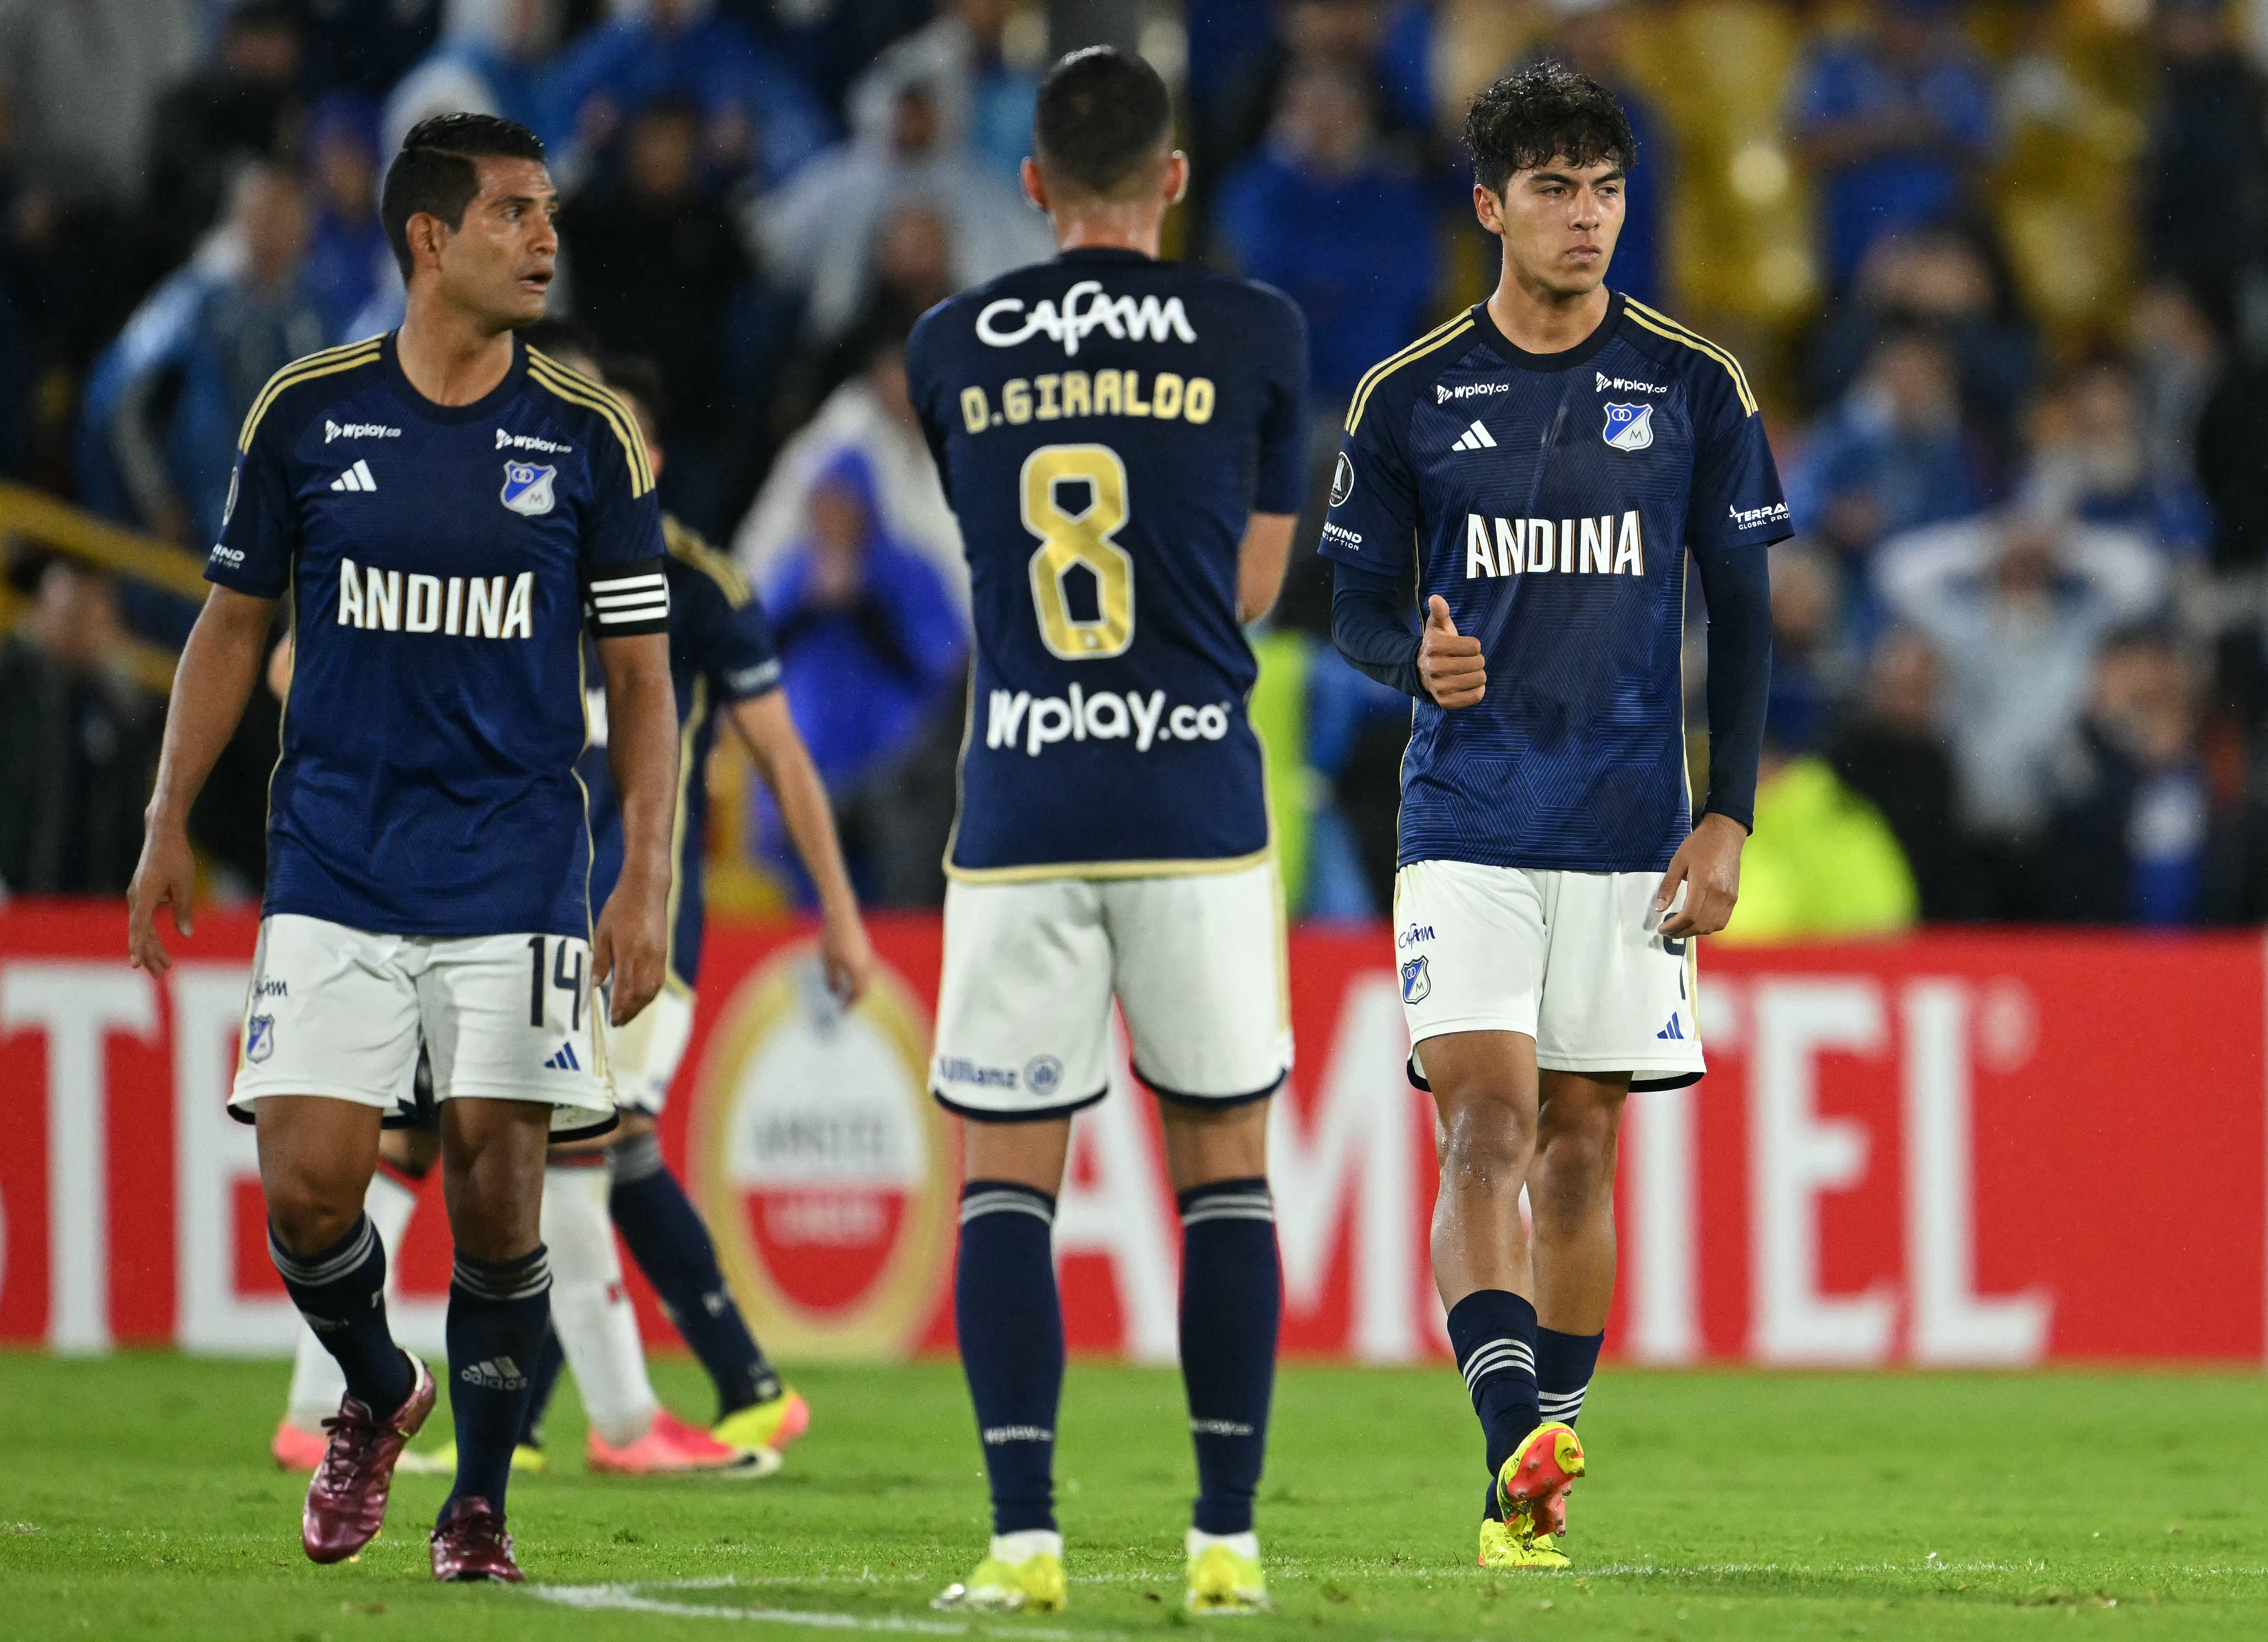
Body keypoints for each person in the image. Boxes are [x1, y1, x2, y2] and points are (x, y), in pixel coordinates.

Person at [125, 112, 681, 1583]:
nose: (546, 238)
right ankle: (380, 1388)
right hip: (338, 853)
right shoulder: (305, 415)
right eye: (513, 214)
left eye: (549, 211)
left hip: (514, 860)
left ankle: (478, 1504)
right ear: (430, 240)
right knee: (309, 1184)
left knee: (502, 1197)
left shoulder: (587, 434)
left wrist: (649, 872)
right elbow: (232, 626)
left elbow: (639, 681)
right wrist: (167, 817)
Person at [1321, 62, 1780, 1569]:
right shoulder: (1406, 397)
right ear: (1488, 207)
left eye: (1604, 189)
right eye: (1551, 190)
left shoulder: (1695, 385)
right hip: (1464, 818)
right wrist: (1412, 658)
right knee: (1484, 1126)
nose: (1584, 218)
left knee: (1579, 1150)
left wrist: (1728, 815)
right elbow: (1354, 602)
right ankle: (1508, 1422)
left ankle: (1531, 1480)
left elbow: (1746, 612)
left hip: (1629, 824)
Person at [266, 345, 873, 1477]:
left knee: (560, 1145)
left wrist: (837, 913)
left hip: (631, 926)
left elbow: (781, 757)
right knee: (444, 1144)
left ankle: (583, 1414)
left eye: (628, 439)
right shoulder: (506, 553)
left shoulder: (695, 588)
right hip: (487, 906)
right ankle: (629, 1417)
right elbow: (295, 661)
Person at [904, 47, 1309, 1616]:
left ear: (1029, 184)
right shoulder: (1257, 331)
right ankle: (1224, 1540)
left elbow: (992, 549)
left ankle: (1021, 1544)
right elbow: (1255, 586)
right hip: (1193, 799)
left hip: (1020, 798)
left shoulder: (951, 344)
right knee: (1223, 1172)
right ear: (1176, 177)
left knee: (1007, 1180)